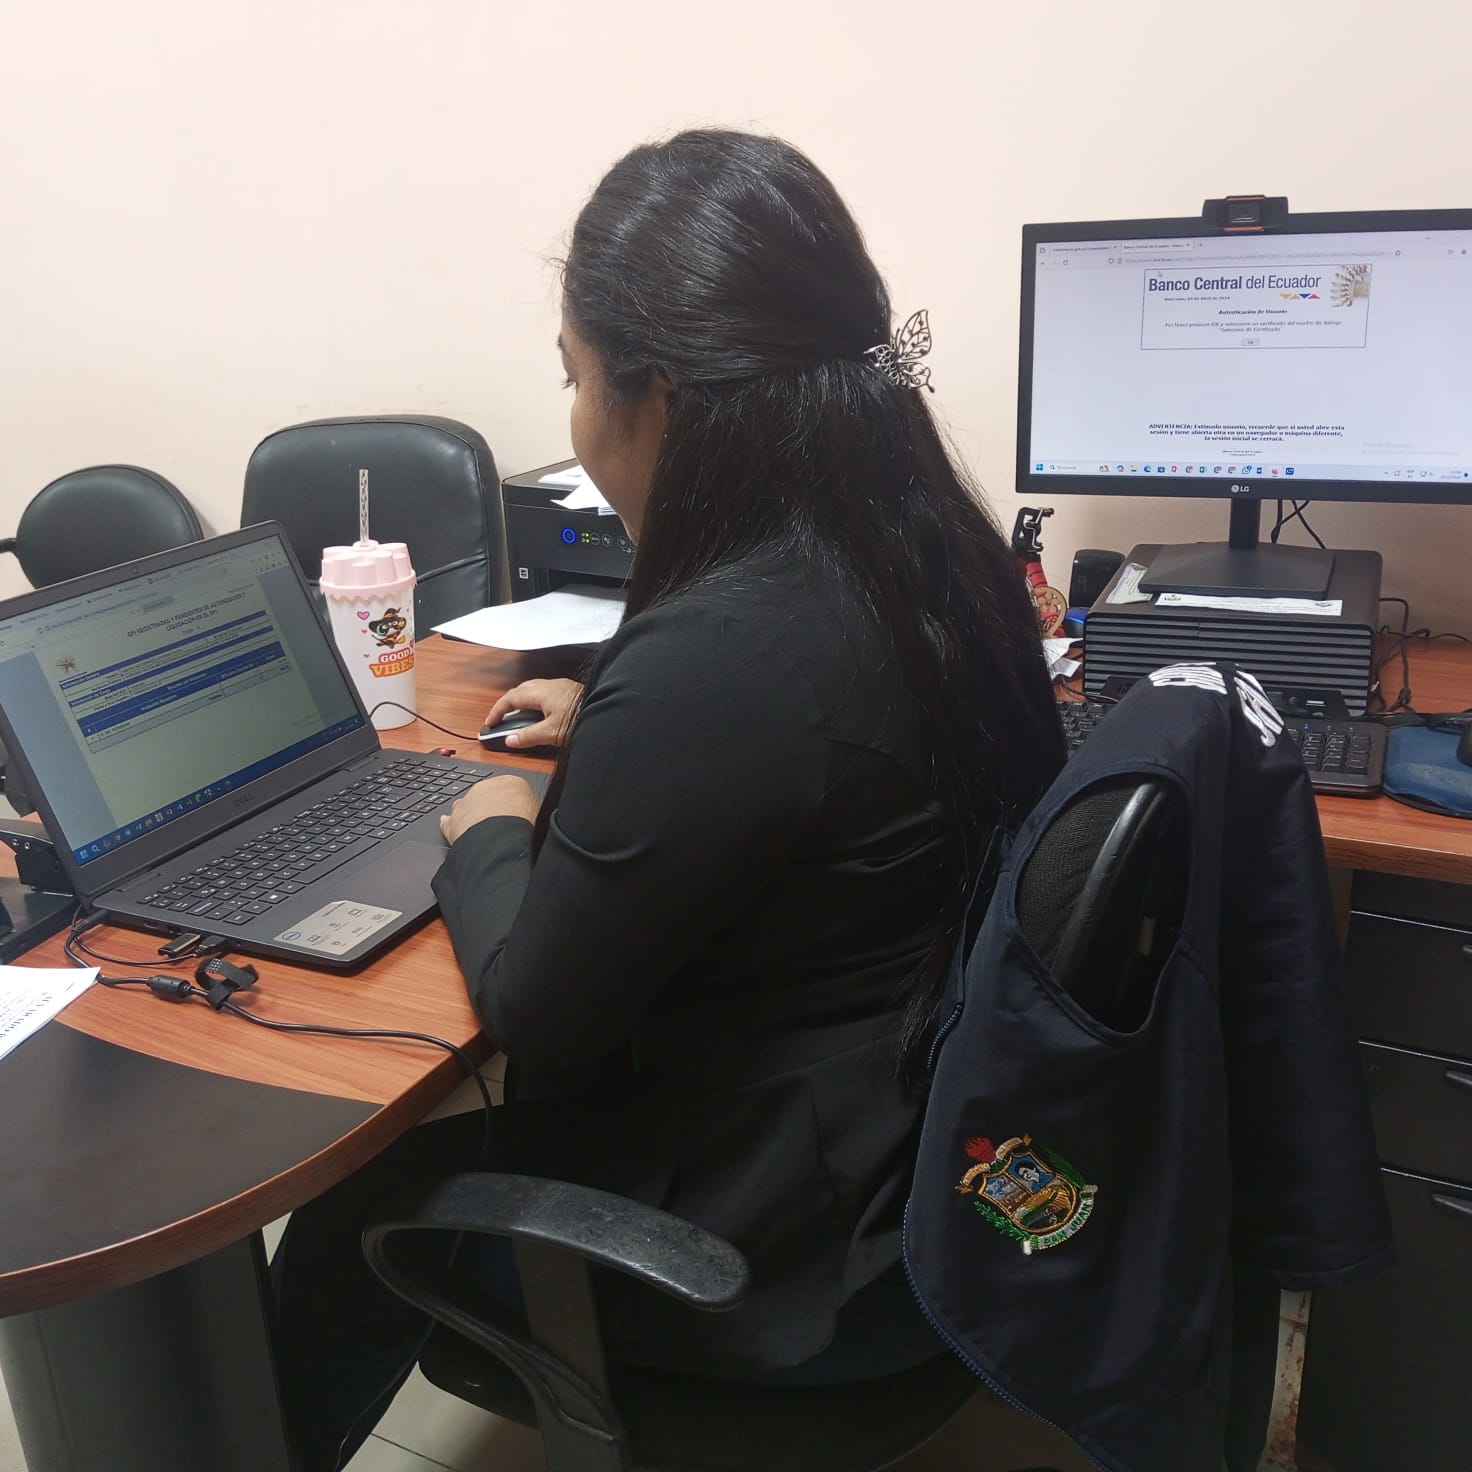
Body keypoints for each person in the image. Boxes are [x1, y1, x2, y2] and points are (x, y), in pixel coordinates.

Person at [271, 127, 1064, 1471]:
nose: (578, 426)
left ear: (668, 397)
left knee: (350, 1221)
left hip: (783, 1260)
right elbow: (820, 739)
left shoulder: (721, 658)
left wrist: (492, 827)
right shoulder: (938, 554)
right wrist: (617, 714)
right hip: (928, 1169)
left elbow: (538, 1007)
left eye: (576, 379)